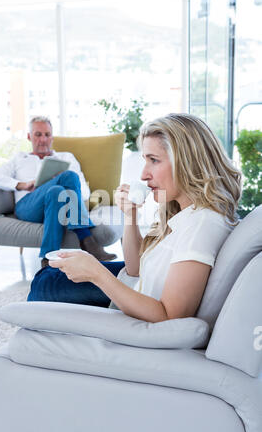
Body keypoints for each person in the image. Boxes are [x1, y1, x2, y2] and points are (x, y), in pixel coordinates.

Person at [27, 113, 242, 323]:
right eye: (145, 160)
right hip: (132, 284)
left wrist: (96, 273)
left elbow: (169, 317)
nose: (143, 174)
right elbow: (135, 268)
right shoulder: (183, 212)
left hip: (134, 300)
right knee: (46, 277)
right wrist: (131, 215)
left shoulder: (201, 226)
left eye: (154, 160)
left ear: (187, 162)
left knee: (43, 285)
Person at [0, 116, 116, 267]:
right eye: (38, 134)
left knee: (59, 188)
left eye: (47, 135)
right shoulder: (19, 158)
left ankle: (47, 258)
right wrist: (21, 185)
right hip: (28, 207)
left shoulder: (66, 157)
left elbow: (85, 192)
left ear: (52, 138)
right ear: (29, 136)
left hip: (58, 204)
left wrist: (64, 185)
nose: (43, 139)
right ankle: (86, 239)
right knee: (65, 178)